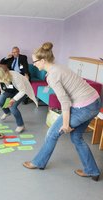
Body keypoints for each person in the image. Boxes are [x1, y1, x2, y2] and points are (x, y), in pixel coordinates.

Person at [23, 42, 101, 181]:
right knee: (76, 137)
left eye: (34, 61)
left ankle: (38, 162)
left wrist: (65, 124)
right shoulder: (58, 67)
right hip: (94, 101)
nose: (33, 64)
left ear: (42, 60)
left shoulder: (52, 75)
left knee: (52, 133)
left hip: (84, 106)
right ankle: (92, 171)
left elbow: (65, 102)